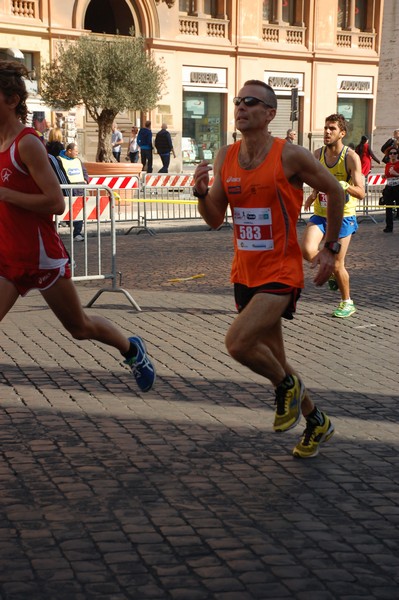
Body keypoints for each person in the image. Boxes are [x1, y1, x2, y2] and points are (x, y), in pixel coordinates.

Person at [193, 80, 345, 459]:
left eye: (250, 102)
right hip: (245, 272)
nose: (241, 107)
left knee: (238, 343)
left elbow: (336, 192)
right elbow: (214, 218)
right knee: (277, 358)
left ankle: (286, 386)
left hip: (280, 271)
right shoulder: (225, 156)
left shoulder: (289, 155)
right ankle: (317, 422)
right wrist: (199, 195)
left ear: (269, 114)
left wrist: (330, 248)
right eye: (238, 102)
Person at [0, 60, 155, 394]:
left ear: (11, 101)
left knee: (80, 327)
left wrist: (6, 194)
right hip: (7, 257)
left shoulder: (27, 143)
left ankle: (132, 349)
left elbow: (56, 204)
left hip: (40, 257)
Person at [301, 114, 365, 319]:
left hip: (344, 216)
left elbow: (362, 192)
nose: (327, 132)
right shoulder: (317, 154)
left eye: (332, 129)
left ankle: (347, 302)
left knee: (338, 263)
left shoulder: (350, 157)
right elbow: (316, 180)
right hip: (321, 214)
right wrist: (312, 195)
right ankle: (329, 272)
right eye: (326, 128)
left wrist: (345, 186)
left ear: (342, 133)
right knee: (307, 250)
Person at [57, 142, 89, 242]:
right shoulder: (59, 160)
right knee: (65, 209)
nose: (77, 153)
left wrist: (85, 180)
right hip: (66, 188)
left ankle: (77, 233)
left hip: (79, 188)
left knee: (79, 211)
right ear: (69, 151)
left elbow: (84, 171)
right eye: (75, 151)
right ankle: (58, 231)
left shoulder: (78, 160)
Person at [381, 147, 399, 233]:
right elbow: (387, 175)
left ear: (397, 155)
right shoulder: (387, 165)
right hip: (389, 187)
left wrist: (396, 174)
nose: (392, 155)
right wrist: (384, 176)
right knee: (388, 207)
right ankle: (389, 227)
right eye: (391, 153)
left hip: (398, 187)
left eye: (394, 153)